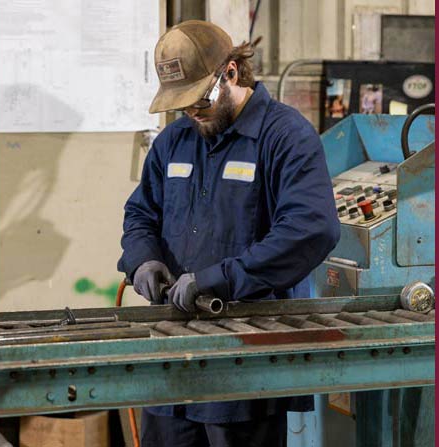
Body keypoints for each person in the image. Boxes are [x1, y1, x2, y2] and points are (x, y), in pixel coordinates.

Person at [119, 20, 339, 447]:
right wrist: (143, 258)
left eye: (198, 100)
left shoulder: (285, 137)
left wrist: (221, 276)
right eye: (181, 104)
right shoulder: (175, 140)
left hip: (245, 360)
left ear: (232, 72)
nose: (191, 113)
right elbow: (140, 213)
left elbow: (311, 229)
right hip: (170, 359)